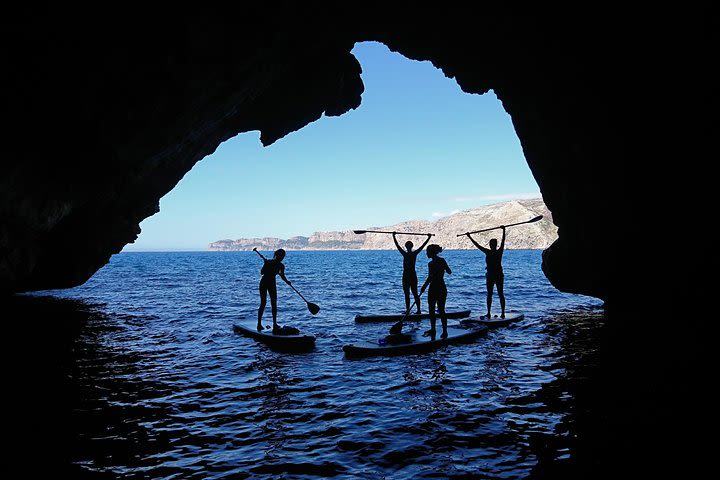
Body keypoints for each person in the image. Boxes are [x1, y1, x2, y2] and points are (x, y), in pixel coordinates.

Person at [465, 226, 506, 318]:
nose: (492, 245)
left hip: (493, 275)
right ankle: (495, 313)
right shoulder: (498, 252)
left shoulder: (490, 252)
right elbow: (503, 241)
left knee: (493, 294)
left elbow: (477, 245)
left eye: (492, 244)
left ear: (492, 245)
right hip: (495, 275)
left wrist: (469, 236)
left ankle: (495, 312)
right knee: (497, 294)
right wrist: (503, 230)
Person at [393, 232, 432, 314]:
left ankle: (412, 310)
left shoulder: (406, 254)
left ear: (407, 247)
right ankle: (416, 310)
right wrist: (428, 238)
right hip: (411, 275)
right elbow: (422, 246)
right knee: (413, 293)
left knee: (409, 294)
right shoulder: (413, 254)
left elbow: (397, 246)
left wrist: (394, 236)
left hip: (408, 275)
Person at [254, 247, 291, 332]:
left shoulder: (281, 266)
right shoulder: (269, 262)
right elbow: (262, 272)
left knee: (274, 303)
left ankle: (275, 324)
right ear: (276, 256)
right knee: (263, 302)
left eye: (282, 257)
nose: (281, 258)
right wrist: (267, 265)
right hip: (264, 282)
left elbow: (282, 276)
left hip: (272, 283)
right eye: (280, 256)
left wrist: (287, 282)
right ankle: (259, 324)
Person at [419, 244, 452, 339]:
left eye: (427, 252)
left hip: (437, 287)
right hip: (436, 287)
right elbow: (448, 271)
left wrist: (424, 286)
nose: (426, 254)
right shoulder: (433, 263)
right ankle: (434, 329)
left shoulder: (437, 262)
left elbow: (448, 272)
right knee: (433, 309)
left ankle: (444, 331)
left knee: (439, 310)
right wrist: (424, 287)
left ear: (431, 252)